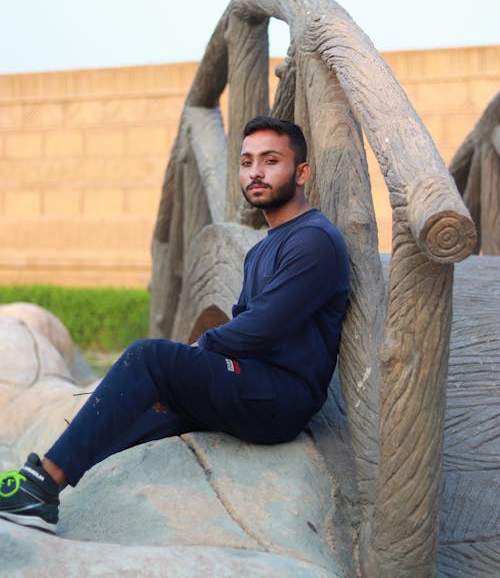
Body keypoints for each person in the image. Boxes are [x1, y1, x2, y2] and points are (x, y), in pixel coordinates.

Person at [0, 116, 350, 534]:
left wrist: (193, 355)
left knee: (149, 357)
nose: (255, 171)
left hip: (279, 397)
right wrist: (184, 378)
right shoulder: (263, 249)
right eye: (246, 161)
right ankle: (54, 491)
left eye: (271, 160)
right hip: (251, 384)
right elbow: (243, 320)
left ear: (302, 172)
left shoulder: (314, 239)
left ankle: (41, 486)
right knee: (138, 410)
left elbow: (262, 327)